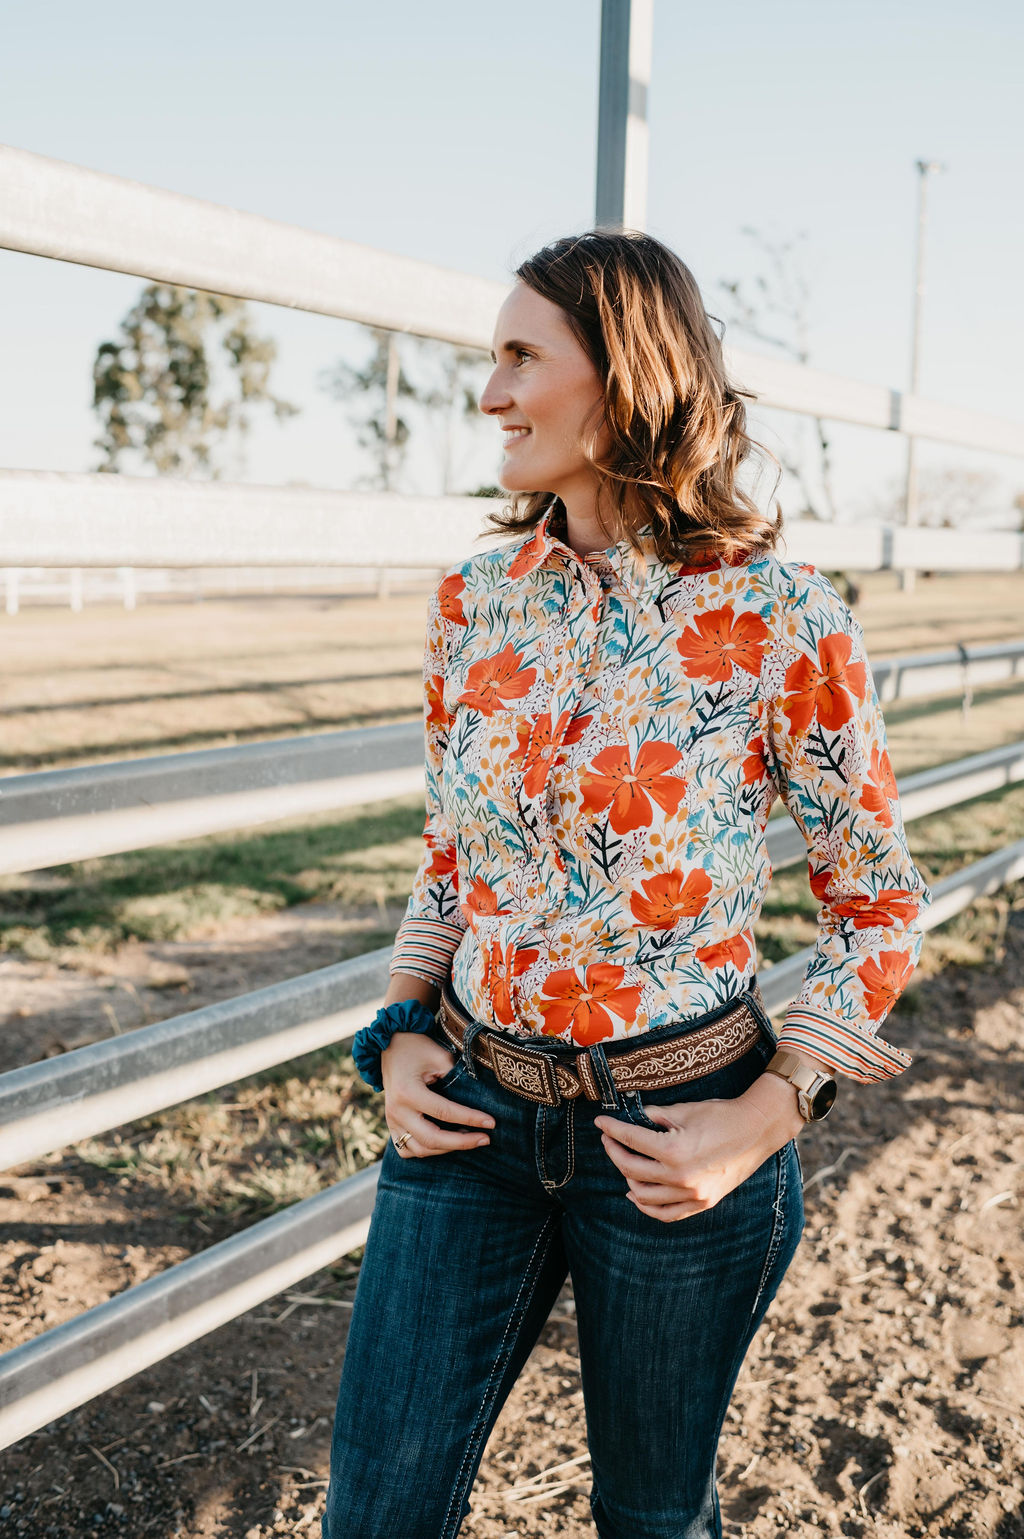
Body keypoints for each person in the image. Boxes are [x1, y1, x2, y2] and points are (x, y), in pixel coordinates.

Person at [321, 230, 930, 1539]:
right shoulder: (474, 603)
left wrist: (768, 1116)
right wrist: (394, 1030)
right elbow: (453, 860)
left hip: (675, 1142)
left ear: (628, 375)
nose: (490, 395)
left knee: (654, 1521)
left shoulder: (781, 615)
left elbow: (873, 902)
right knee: (374, 1513)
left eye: (520, 357)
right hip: (469, 1125)